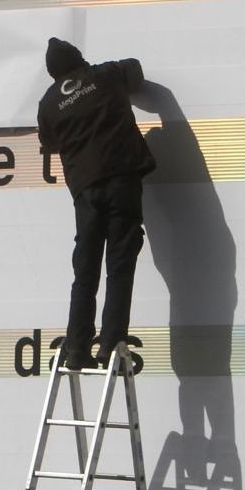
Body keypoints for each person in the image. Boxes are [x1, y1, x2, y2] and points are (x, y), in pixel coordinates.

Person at [36, 37, 154, 369]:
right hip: (120, 180)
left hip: (86, 192)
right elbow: (137, 72)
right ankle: (111, 340)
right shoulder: (105, 74)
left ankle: (77, 347)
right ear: (80, 60)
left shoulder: (47, 103)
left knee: (85, 269)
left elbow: (49, 142)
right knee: (119, 260)